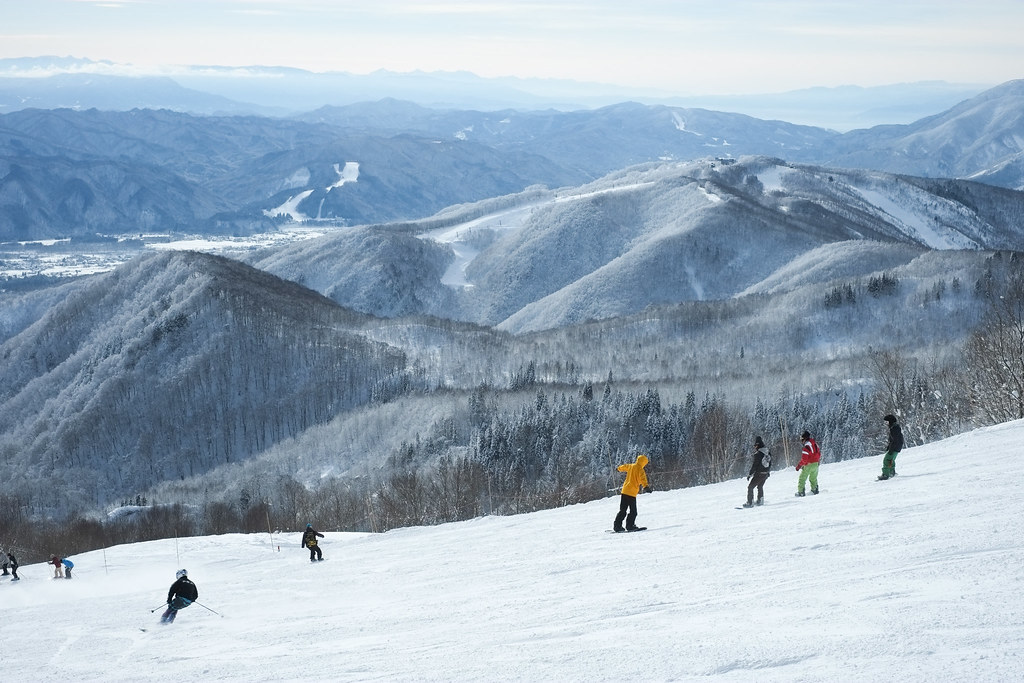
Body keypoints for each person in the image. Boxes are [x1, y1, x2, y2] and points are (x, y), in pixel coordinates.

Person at [612, 454, 651, 532]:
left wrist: (618, 469)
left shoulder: (631, 466)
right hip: (631, 493)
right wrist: (646, 487)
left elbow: (624, 467)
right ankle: (630, 526)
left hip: (624, 491)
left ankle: (617, 526)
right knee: (633, 511)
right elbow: (643, 479)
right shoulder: (640, 470)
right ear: (644, 462)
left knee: (622, 510)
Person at [743, 436, 772, 507]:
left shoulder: (758, 454)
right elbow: (770, 463)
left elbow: (755, 465)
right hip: (765, 473)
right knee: (760, 486)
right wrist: (768, 471)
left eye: (755, 446)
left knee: (750, 487)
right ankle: (760, 500)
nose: (755, 447)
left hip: (759, 473)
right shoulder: (768, 452)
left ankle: (750, 503)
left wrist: (750, 474)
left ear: (758, 445)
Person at [878, 414, 904, 480]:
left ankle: (885, 474)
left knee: (887, 459)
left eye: (887, 422)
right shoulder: (894, 428)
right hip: (897, 447)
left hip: (895, 447)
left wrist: (891, 449)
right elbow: (893, 439)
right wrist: (889, 447)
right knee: (891, 460)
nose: (886, 424)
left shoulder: (894, 429)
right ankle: (892, 472)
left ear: (890, 421)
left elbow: (895, 440)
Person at [795, 430, 821, 497]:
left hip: (808, 465)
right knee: (813, 478)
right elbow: (819, 454)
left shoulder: (806, 447)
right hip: (816, 464)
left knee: (802, 478)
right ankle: (815, 490)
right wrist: (816, 461)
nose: (802, 441)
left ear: (804, 439)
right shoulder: (815, 444)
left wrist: (799, 466)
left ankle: (801, 492)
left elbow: (804, 459)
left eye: (802, 440)